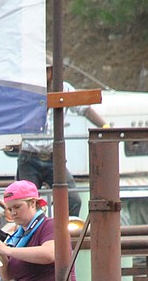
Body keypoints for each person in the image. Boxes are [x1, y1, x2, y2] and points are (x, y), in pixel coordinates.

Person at [15, 57, 107, 218]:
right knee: (25, 204)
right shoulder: (26, 90)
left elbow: (84, 107)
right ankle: (31, 238)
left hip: (53, 158)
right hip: (29, 157)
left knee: (72, 200)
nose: (42, 75)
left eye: (45, 71)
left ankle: (65, 235)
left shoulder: (63, 89)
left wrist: (105, 127)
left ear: (51, 72)